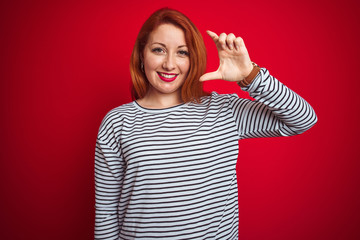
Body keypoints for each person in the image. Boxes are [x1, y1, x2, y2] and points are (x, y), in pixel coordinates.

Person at [94, 8, 317, 240]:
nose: (169, 64)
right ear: (142, 54)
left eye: (182, 52)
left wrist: (249, 75)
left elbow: (303, 118)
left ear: (194, 59)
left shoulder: (224, 110)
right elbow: (107, 212)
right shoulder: (117, 122)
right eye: (158, 50)